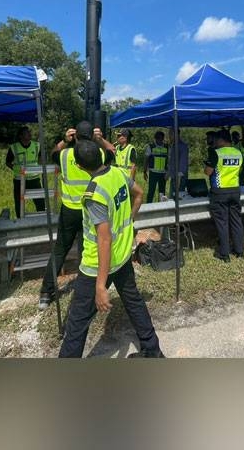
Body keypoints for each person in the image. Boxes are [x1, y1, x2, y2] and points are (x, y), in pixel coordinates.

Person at [58, 139, 164, 358]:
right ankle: (152, 350)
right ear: (101, 155)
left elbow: (104, 240)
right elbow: (140, 193)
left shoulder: (93, 194)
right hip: (122, 256)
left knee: (77, 323)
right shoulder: (116, 173)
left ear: (78, 166)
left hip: (96, 266)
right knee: (134, 302)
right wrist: (129, 222)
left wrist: (100, 286)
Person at [39, 121, 116, 310]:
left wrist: (65, 141)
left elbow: (51, 153)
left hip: (69, 210)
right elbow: (112, 151)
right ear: (91, 136)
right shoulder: (96, 154)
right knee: (86, 250)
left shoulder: (64, 155)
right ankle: (86, 289)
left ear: (76, 136)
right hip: (89, 209)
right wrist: (101, 139)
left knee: (60, 250)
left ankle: (46, 292)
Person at [204, 130, 244, 261]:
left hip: (220, 192)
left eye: (216, 140)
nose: (214, 142)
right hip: (235, 190)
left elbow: (208, 172)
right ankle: (239, 251)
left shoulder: (216, 153)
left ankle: (224, 254)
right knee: (236, 221)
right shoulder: (238, 153)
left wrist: (207, 166)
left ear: (221, 140)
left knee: (222, 223)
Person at [6, 126, 44, 218]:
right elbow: (8, 162)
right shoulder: (14, 147)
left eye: (29, 132)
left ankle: (42, 218)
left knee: (40, 202)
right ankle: (20, 220)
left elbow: (41, 159)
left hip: (34, 179)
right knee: (19, 202)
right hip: (19, 180)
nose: (30, 134)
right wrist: (16, 170)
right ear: (20, 136)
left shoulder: (37, 145)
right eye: (27, 133)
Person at [144, 131, 168, 202]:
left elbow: (169, 160)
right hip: (153, 173)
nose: (159, 140)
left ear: (163, 138)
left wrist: (168, 171)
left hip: (163, 173)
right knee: (151, 191)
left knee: (162, 192)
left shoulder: (167, 147)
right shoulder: (150, 146)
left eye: (161, 138)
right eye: (157, 138)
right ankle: (148, 207)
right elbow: (146, 159)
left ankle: (161, 207)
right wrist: (144, 171)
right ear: (155, 138)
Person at [166, 130, 189, 198]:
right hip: (174, 177)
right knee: (172, 198)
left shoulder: (182, 146)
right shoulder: (174, 145)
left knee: (178, 198)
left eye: (171, 134)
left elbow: (183, 164)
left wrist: (178, 181)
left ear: (176, 135)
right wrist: (168, 173)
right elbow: (172, 162)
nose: (169, 137)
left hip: (179, 179)